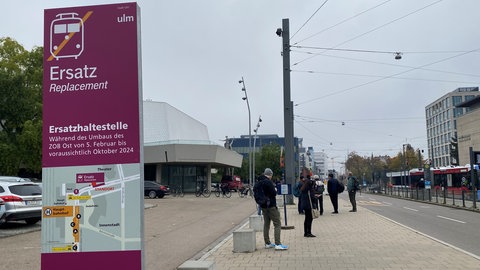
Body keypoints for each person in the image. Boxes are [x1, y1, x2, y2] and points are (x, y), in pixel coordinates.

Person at [257, 168, 288, 250]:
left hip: (263, 206)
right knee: (277, 223)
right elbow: (274, 193)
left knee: (266, 224)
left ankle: (267, 243)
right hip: (271, 206)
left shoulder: (259, 182)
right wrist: (275, 190)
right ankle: (278, 243)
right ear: (270, 174)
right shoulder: (268, 182)